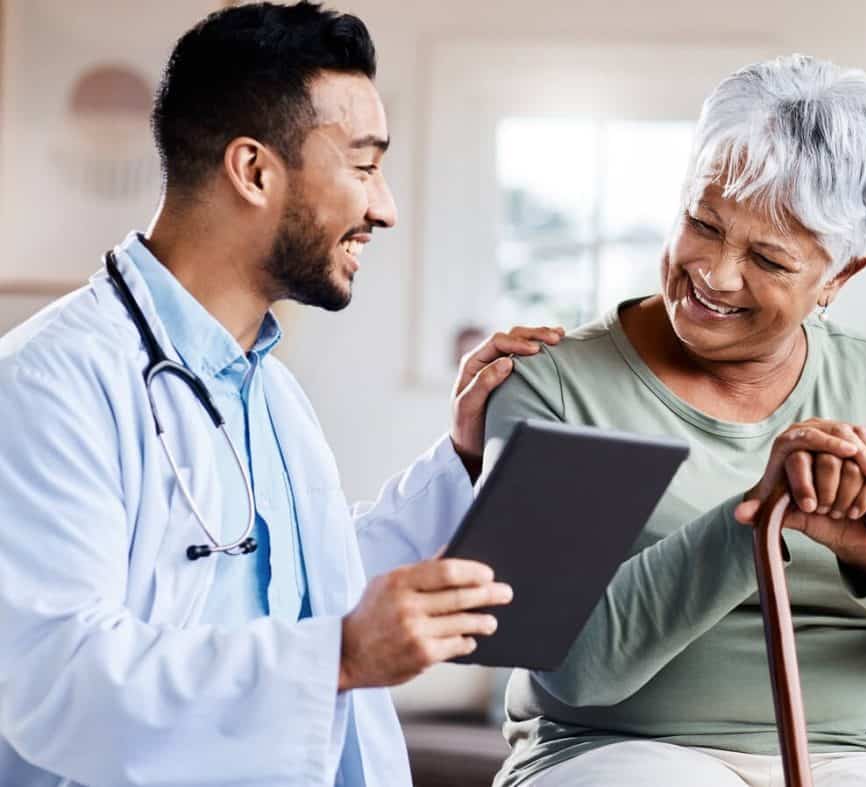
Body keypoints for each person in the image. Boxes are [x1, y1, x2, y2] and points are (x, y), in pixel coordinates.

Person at [0, 4, 562, 786]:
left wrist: (464, 457)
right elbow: (55, 681)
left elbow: (316, 586)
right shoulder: (47, 384)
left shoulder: (269, 387)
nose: (385, 206)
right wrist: (338, 654)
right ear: (254, 170)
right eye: (364, 166)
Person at [484, 54, 866, 787]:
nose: (715, 273)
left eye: (768, 259)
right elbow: (571, 666)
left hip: (861, 754)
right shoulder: (559, 383)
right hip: (615, 752)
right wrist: (753, 519)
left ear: (839, 276)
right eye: (702, 223)